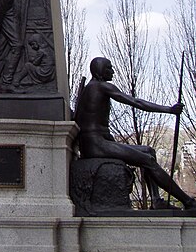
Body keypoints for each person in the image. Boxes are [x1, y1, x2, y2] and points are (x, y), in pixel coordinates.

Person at [75, 57, 196, 211]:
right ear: (100, 72)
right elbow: (136, 103)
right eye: (109, 68)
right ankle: (188, 202)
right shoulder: (101, 87)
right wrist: (169, 110)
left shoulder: (90, 88)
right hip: (96, 144)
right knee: (148, 161)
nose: (113, 71)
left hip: (100, 141)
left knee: (149, 151)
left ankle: (156, 200)